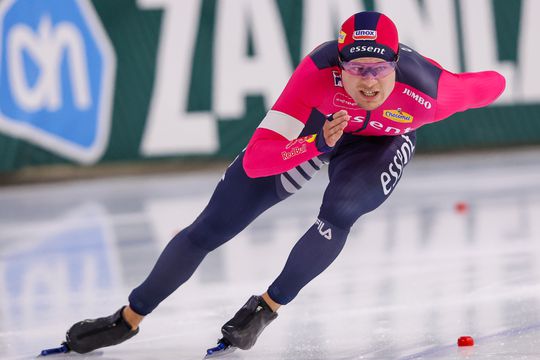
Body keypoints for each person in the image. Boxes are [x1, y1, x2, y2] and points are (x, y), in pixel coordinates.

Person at [44, 11, 506, 358]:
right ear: (339, 65)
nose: (368, 82)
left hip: (380, 143)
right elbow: (263, 158)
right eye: (357, 69)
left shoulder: (432, 91)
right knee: (210, 227)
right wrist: (312, 143)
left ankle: (266, 306)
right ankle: (128, 319)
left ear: (396, 65)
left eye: (379, 69)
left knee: (341, 211)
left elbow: (496, 82)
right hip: (317, 131)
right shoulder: (313, 76)